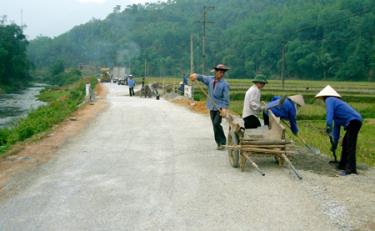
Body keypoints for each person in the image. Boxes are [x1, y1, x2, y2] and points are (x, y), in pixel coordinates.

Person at [315, 85, 362, 175]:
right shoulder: (337, 114)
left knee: (350, 145)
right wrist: (334, 145)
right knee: (345, 143)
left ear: (324, 97)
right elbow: (336, 131)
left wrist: (328, 126)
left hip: (354, 121)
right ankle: (342, 165)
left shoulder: (330, 100)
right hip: (353, 122)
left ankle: (351, 169)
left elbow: (329, 115)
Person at [190, 64, 230, 150]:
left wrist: (224, 109)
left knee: (216, 123)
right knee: (214, 125)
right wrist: (195, 76)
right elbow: (202, 77)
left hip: (219, 108)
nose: (221, 74)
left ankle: (223, 142)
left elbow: (226, 98)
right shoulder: (210, 80)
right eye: (220, 72)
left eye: (223, 72)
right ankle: (218, 143)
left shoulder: (225, 84)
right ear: (216, 72)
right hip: (211, 107)